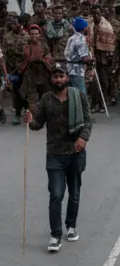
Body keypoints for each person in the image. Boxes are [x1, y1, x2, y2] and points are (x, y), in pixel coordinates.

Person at [23, 62, 92, 252]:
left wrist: (83, 138)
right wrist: (30, 120)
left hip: (76, 153)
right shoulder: (46, 99)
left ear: (67, 78)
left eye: (62, 76)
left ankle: (71, 226)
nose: (59, 79)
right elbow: (38, 124)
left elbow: (87, 121)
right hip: (54, 154)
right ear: (51, 79)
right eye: (55, 76)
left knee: (75, 193)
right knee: (56, 195)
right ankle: (55, 235)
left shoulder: (78, 96)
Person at [64, 17, 93, 95]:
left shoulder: (71, 38)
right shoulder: (81, 39)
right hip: (77, 71)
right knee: (81, 96)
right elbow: (84, 58)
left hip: (69, 70)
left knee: (71, 95)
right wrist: (91, 60)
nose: (88, 28)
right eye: (87, 26)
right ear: (83, 28)